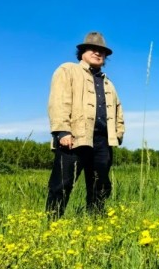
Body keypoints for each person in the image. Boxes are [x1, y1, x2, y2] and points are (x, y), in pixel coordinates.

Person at [46, 32, 125, 218]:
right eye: (93, 49)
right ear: (82, 51)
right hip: (73, 138)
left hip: (102, 142)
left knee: (101, 185)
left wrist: (118, 134)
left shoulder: (108, 83)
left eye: (102, 51)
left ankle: (95, 223)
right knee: (62, 184)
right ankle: (51, 224)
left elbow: (118, 111)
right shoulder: (68, 70)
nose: (98, 53)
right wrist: (62, 131)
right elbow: (58, 101)